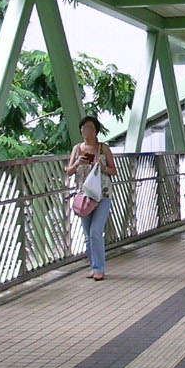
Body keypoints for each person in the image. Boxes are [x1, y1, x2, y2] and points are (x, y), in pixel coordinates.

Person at [66, 115, 117, 280]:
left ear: (96, 131)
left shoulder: (104, 148)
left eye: (90, 128)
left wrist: (102, 167)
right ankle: (94, 266)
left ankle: (100, 268)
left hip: (103, 194)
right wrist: (78, 163)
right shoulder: (77, 149)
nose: (86, 131)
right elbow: (69, 171)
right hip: (84, 195)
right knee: (88, 233)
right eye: (84, 128)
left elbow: (114, 171)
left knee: (96, 231)